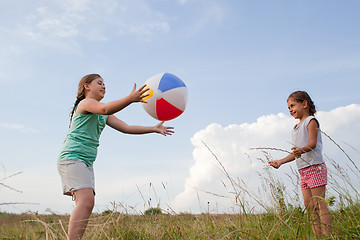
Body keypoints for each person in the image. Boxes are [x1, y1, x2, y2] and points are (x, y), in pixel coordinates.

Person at [57, 74, 174, 240]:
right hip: (72, 157)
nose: (104, 86)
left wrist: (153, 128)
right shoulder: (86, 103)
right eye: (99, 83)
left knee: (86, 203)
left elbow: (126, 127)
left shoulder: (104, 114)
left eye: (105, 84)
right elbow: (105, 108)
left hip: (85, 162)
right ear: (86, 86)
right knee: (86, 202)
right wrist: (130, 98)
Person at [268, 91, 332, 238]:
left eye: (293, 105)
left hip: (315, 167)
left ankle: (329, 236)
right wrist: (281, 161)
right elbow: (296, 153)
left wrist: (300, 150)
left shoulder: (311, 121)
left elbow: (312, 144)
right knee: (309, 206)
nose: (290, 110)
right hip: (303, 170)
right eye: (288, 107)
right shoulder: (295, 128)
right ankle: (318, 236)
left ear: (304, 104)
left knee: (319, 204)